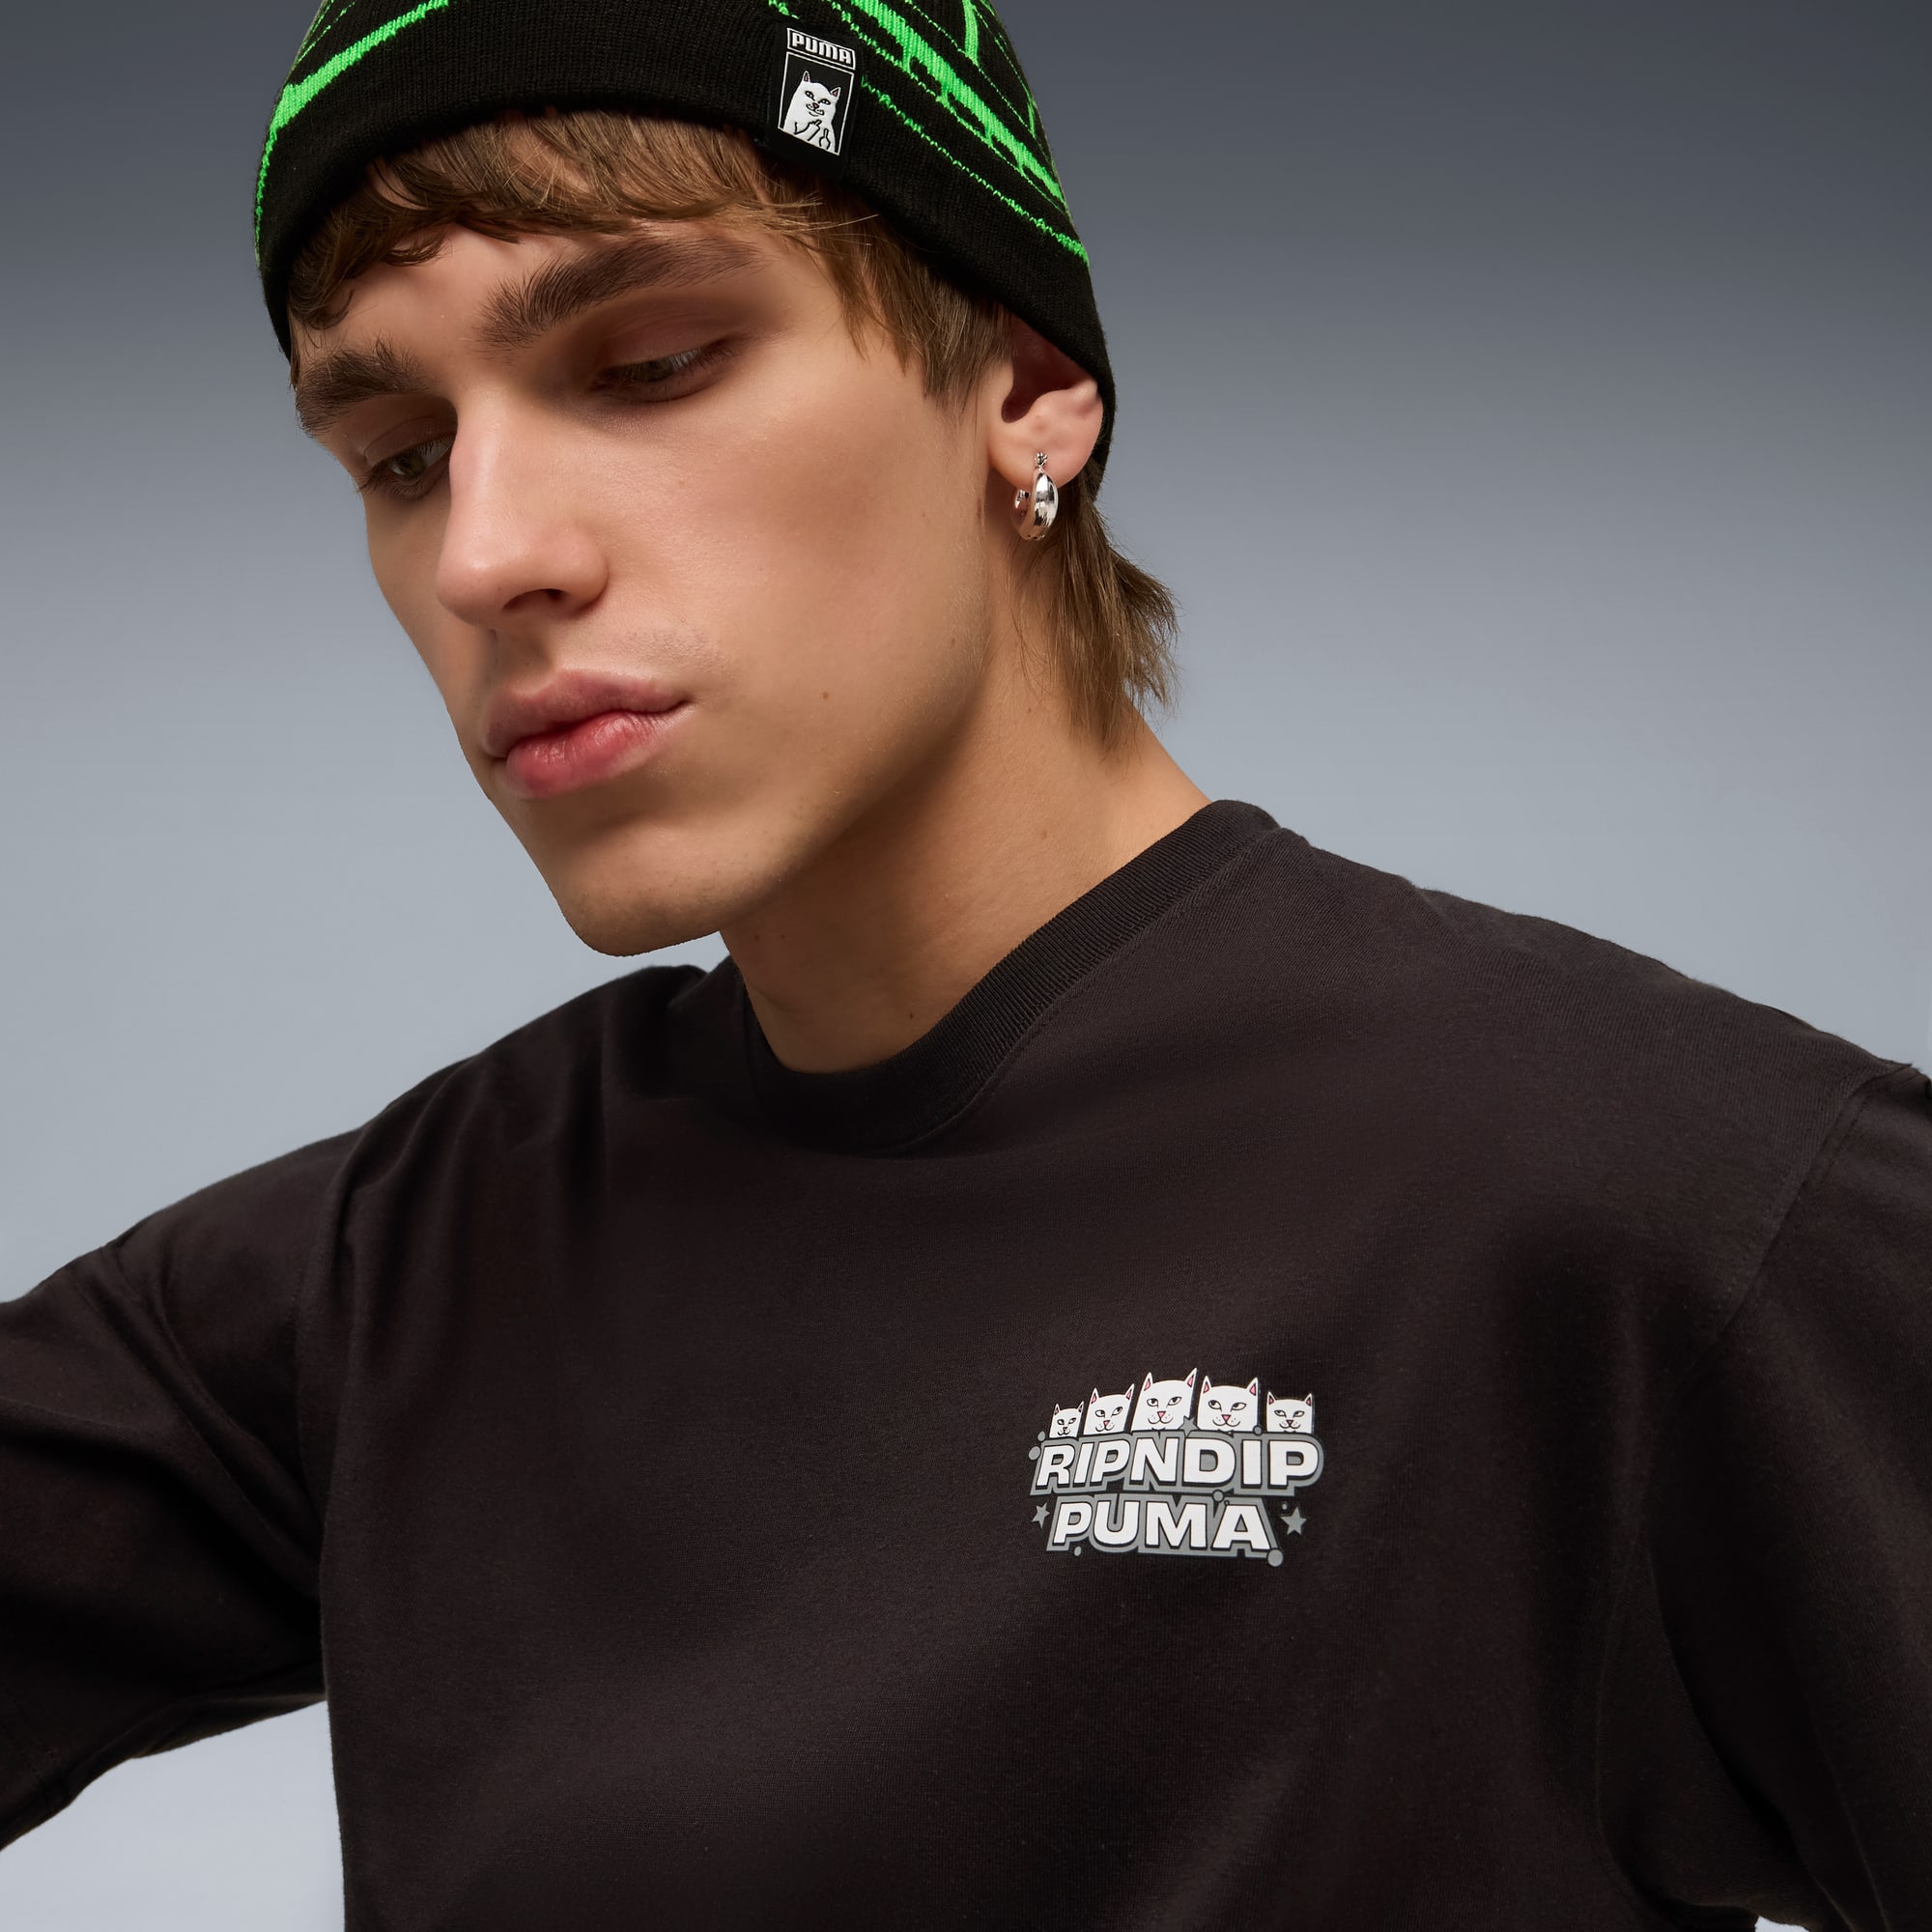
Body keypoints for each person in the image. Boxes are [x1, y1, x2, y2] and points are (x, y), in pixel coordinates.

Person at [1, 1, 1925, 1925]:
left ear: (1024, 388)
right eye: (402, 454)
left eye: (651, 365)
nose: (485, 556)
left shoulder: (1646, 1199)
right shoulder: (407, 1267)